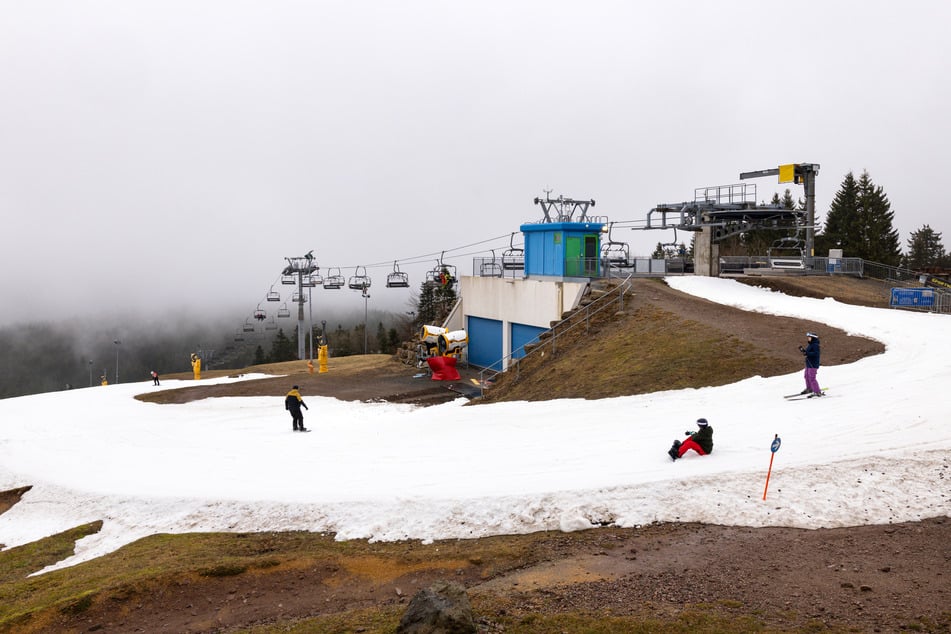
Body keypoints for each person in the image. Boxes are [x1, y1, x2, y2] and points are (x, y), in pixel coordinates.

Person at [798, 332, 823, 397]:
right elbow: (808, 353)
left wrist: (807, 353)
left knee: (812, 378)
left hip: (813, 364)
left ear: (813, 338)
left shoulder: (815, 345)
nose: (808, 338)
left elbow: (816, 354)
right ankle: (809, 388)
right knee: (806, 376)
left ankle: (817, 392)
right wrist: (804, 351)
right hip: (808, 364)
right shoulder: (810, 345)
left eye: (809, 337)